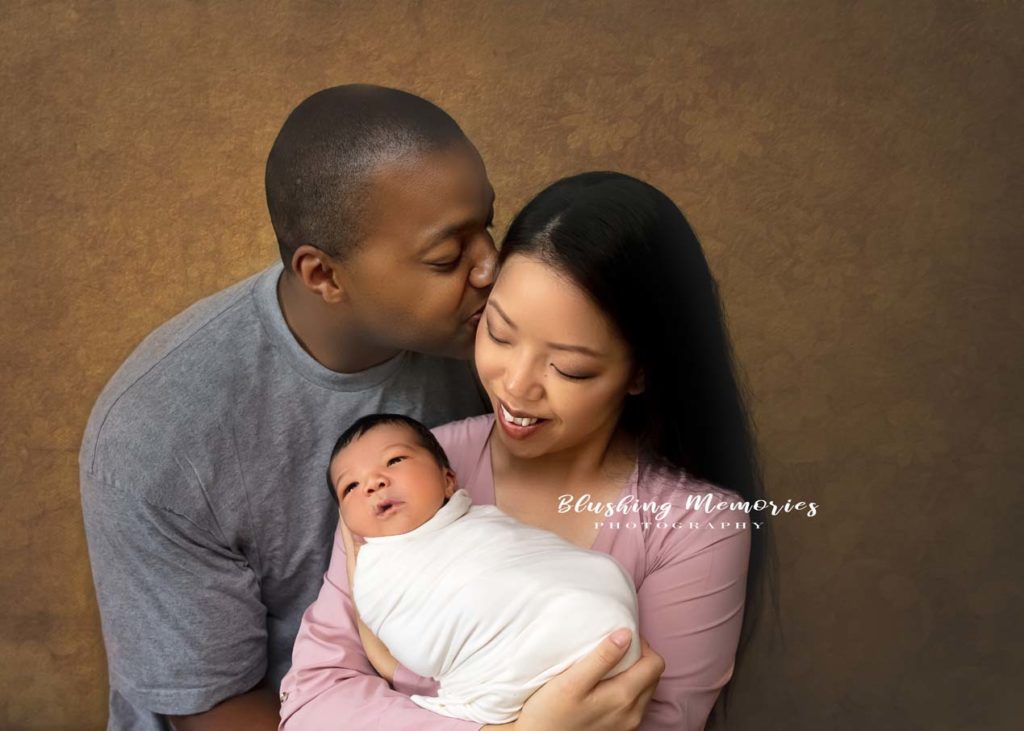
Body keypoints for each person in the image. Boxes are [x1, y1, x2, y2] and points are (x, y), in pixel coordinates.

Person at [281, 172, 775, 730]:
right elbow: (311, 704)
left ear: (640, 372)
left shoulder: (694, 530)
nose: (515, 386)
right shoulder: (406, 469)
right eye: (499, 333)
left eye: (568, 367)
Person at [79, 84, 500, 730]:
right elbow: (215, 715)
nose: (490, 268)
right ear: (324, 275)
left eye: (488, 227)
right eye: (448, 256)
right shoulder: (159, 435)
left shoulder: (490, 343)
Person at [327, 413, 642, 724]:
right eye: (350, 486)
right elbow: (413, 644)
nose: (372, 483)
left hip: (597, 627)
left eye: (395, 460)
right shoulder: (374, 573)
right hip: (511, 676)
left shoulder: (483, 522)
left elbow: (528, 561)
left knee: (598, 575)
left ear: (448, 480)